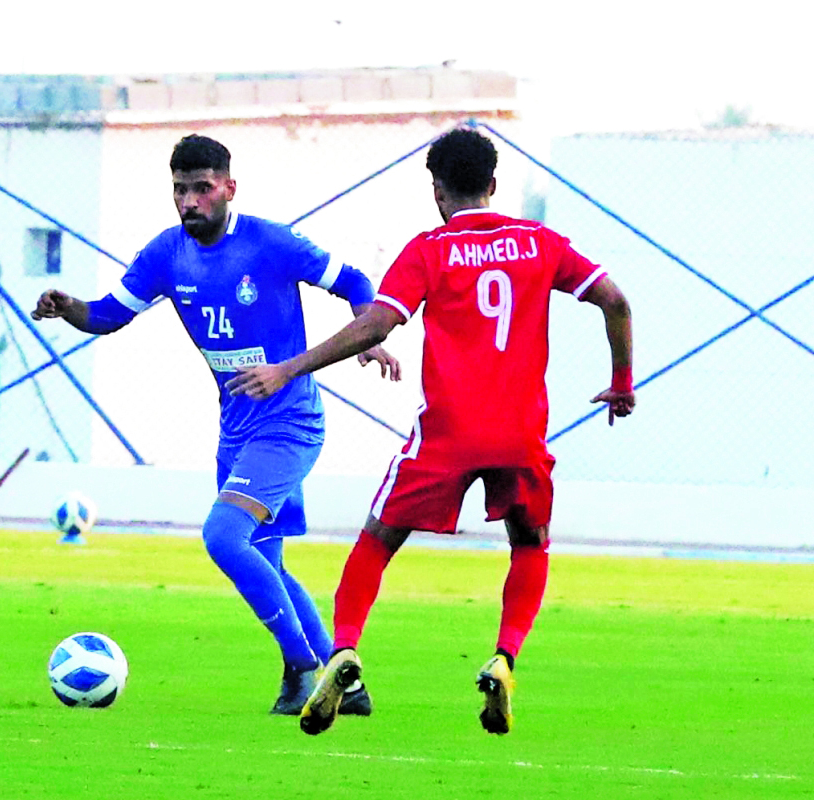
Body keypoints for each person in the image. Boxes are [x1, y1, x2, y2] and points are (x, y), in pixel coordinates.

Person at [228, 127, 635, 735]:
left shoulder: (429, 250)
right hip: (520, 434)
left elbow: (374, 327)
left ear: (438, 191)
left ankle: (343, 651)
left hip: (446, 435)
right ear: (493, 185)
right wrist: (622, 380)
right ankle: (504, 658)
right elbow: (616, 301)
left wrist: (288, 368)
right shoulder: (543, 243)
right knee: (530, 545)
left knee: (377, 541)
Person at [31, 134, 399, 714]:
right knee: (268, 559)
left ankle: (301, 668)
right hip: (236, 431)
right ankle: (345, 685)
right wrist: (68, 306)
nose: (189, 201)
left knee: (223, 537)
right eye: (180, 190)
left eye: (202, 188)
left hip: (289, 425)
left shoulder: (271, 243)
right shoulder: (165, 254)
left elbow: (353, 281)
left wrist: (365, 336)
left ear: (229, 188)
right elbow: (106, 316)